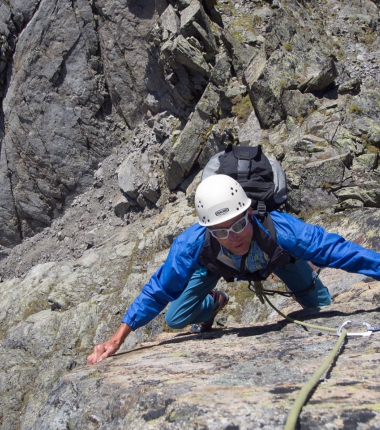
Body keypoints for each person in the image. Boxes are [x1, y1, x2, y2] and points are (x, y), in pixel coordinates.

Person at [87, 174, 380, 364]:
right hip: (216, 266)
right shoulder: (193, 244)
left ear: (249, 211)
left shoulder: (280, 230)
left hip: (277, 258)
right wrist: (117, 339)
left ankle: (312, 288)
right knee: (176, 318)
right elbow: (159, 290)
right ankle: (214, 302)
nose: (234, 237)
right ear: (208, 230)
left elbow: (334, 250)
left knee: (322, 311)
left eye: (239, 224)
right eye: (220, 232)